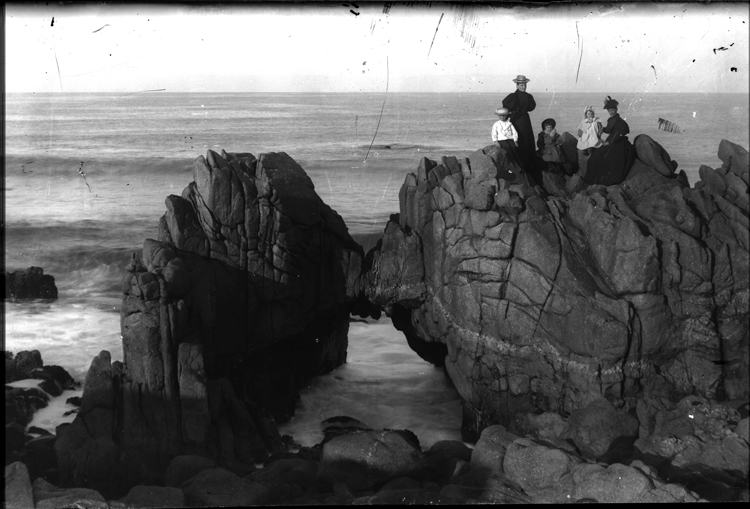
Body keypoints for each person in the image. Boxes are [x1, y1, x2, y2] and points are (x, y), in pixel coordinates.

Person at [583, 96, 636, 186]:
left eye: (612, 110)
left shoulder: (620, 122)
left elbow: (621, 134)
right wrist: (601, 128)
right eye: (609, 111)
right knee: (595, 157)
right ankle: (592, 180)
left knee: (599, 158)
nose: (611, 112)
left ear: (616, 109)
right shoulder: (612, 119)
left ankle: (597, 180)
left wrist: (609, 142)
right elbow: (608, 130)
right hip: (613, 142)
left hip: (619, 145)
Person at [502, 75, 537, 170]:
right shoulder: (513, 96)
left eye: (524, 85)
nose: (523, 87)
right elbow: (505, 104)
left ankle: (527, 162)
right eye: (521, 85)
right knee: (518, 138)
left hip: (524, 119)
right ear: (517, 85)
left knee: (526, 138)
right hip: (516, 120)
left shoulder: (528, 96)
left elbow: (531, 107)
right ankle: (521, 162)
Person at [491, 107, 522, 173]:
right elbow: (494, 133)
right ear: (498, 116)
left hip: (510, 139)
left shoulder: (509, 124)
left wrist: (515, 140)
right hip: (501, 140)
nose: (502, 117)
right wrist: (495, 141)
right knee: (508, 148)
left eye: (504, 115)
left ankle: (520, 165)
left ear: (507, 116)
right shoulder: (496, 124)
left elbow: (514, 132)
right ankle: (515, 165)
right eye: (500, 115)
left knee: (514, 148)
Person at [576, 106, 603, 178]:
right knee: (584, 145)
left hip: (594, 137)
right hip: (585, 137)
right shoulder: (584, 121)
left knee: (594, 144)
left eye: (591, 113)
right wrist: (580, 134)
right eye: (588, 113)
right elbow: (580, 130)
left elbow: (600, 129)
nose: (590, 114)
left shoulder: (596, 121)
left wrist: (599, 134)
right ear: (586, 114)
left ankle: (592, 150)